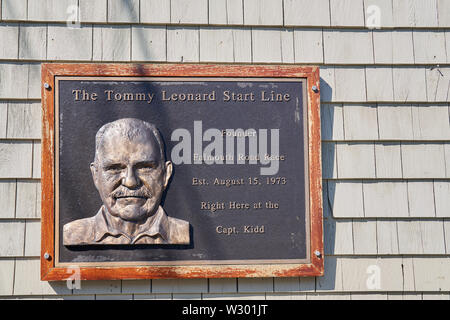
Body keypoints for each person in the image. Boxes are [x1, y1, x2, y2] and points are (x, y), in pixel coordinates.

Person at [63, 118, 190, 245]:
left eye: (144, 167)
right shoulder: (75, 234)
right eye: (115, 168)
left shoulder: (182, 232)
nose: (130, 182)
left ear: (165, 174)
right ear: (95, 175)